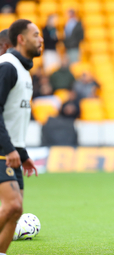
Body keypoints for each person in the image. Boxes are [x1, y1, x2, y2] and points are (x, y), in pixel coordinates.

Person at [0, 19, 42, 254]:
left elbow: (13, 118)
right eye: (36, 35)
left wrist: (22, 154)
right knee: (13, 205)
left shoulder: (24, 71)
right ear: (21, 39)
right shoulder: (7, 66)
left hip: (13, 152)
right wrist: (9, 149)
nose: (41, 39)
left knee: (16, 212)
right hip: (3, 151)